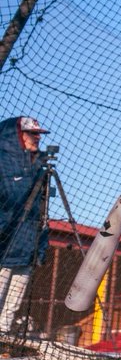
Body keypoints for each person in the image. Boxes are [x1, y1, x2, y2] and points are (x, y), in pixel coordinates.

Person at [0, 117, 51, 334]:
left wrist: (40, 249)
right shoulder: (3, 161)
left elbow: (42, 212)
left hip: (26, 249)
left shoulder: (40, 164)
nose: (38, 138)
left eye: (39, 134)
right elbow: (10, 197)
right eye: (33, 133)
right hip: (4, 247)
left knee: (11, 308)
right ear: (18, 135)